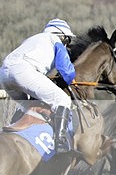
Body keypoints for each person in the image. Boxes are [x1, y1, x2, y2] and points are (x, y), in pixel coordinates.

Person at [0, 19, 77, 153]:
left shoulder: (33, 39)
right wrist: (69, 80)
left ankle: (11, 133)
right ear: (63, 36)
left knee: (28, 106)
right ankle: (60, 142)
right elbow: (67, 72)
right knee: (62, 100)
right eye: (68, 41)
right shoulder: (56, 40)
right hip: (24, 71)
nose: (67, 44)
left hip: (4, 74)